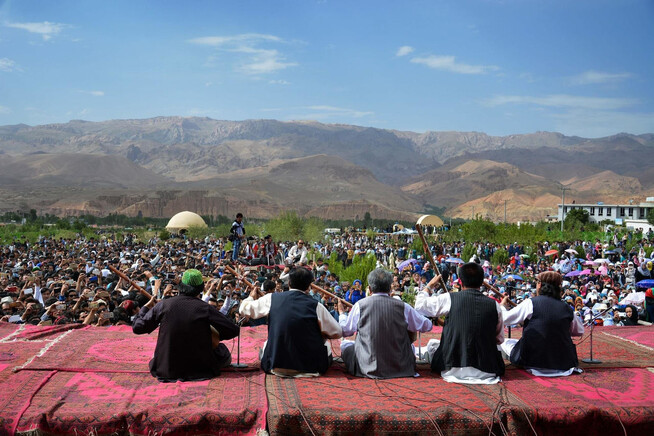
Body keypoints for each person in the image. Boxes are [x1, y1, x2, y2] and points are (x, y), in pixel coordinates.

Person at [132, 269, 239, 382]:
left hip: (166, 368)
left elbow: (138, 327)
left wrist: (144, 308)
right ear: (201, 289)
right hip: (200, 369)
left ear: (181, 286)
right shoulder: (204, 308)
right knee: (223, 351)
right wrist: (211, 336)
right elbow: (233, 330)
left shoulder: (164, 305)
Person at [238, 267, 342, 377]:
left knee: (265, 345)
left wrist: (250, 297)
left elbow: (243, 310)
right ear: (308, 287)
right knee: (326, 346)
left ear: (289, 283)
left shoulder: (271, 298)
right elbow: (337, 332)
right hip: (311, 367)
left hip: (276, 366)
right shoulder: (316, 306)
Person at [415, 262, 505, 384]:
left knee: (432, 345)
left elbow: (419, 306)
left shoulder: (449, 298)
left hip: (451, 367)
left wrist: (429, 286)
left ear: (460, 282)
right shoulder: (495, 305)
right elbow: (499, 339)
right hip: (487, 368)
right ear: (481, 282)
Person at [338, 268, 432, 379]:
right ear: (389, 288)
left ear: (370, 288)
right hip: (400, 365)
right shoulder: (403, 306)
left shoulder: (360, 305)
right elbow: (427, 326)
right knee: (410, 347)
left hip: (367, 366)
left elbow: (345, 331)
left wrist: (342, 314)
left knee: (345, 345)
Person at [500, 271, 583, 377]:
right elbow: (579, 331)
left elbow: (505, 319)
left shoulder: (530, 303)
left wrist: (502, 306)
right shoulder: (566, 308)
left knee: (503, 342)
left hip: (533, 362)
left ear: (539, 285)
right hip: (563, 363)